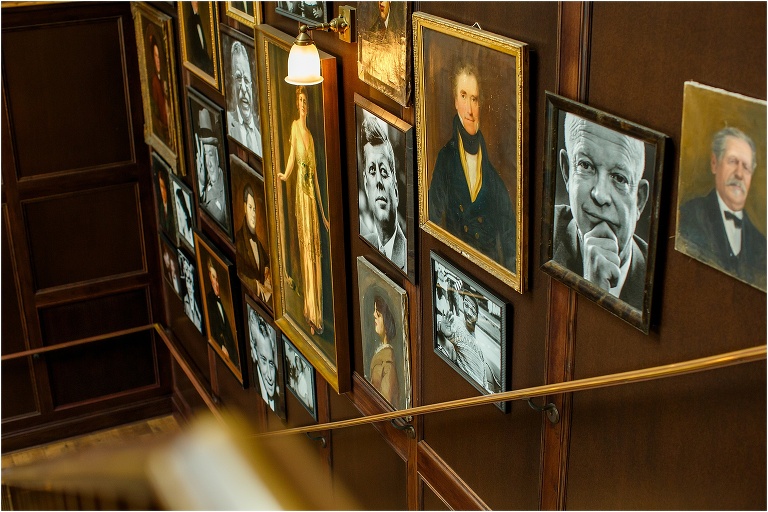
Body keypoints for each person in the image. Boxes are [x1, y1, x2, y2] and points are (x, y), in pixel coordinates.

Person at [553, 113, 649, 310]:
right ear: (566, 171)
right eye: (586, 165)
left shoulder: (664, 282)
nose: (600, 194)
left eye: (619, 178)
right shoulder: (533, 230)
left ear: (639, 200)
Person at [428, 62, 516, 272]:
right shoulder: (445, 160)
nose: (469, 109)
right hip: (453, 268)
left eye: (474, 99)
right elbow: (430, 219)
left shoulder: (494, 181)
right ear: (455, 101)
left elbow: (512, 252)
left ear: (481, 105)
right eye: (463, 96)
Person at [678, 127, 766, 287]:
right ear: (714, 163)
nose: (739, 174)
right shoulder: (689, 214)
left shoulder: (762, 244)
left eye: (746, 167)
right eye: (732, 161)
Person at [278, 86, 329, 335]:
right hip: (301, 194)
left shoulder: (310, 136)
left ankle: (316, 316)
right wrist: (284, 175)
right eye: (299, 100)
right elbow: (291, 160)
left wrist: (323, 214)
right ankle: (309, 311)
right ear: (296, 105)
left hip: (311, 200)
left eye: (305, 101)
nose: (302, 104)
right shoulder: (295, 129)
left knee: (315, 255)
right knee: (306, 251)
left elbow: (317, 179)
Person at [434, 269, 498, 393]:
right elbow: (447, 332)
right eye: (466, 306)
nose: (468, 312)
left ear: (477, 315)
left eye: (472, 309)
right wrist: (441, 326)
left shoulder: (477, 344)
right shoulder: (457, 324)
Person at [360, 115, 406, 271]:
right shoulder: (364, 247)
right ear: (366, 187)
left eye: (384, 171)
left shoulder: (408, 257)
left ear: (395, 189)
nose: (378, 181)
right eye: (372, 171)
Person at [235, 184, 272, 302]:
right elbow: (241, 271)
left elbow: (266, 262)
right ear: (245, 207)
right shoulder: (240, 239)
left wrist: (267, 268)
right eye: (250, 208)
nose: (254, 215)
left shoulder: (258, 242)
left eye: (255, 209)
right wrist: (256, 285)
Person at [226, 41, 262, 157]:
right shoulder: (228, 121)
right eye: (238, 78)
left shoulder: (260, 138)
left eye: (246, 80)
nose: (243, 90)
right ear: (232, 82)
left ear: (251, 85)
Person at [196, 108, 229, 227]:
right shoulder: (203, 186)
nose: (208, 163)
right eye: (205, 156)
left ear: (218, 157)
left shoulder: (225, 185)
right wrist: (200, 183)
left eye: (210, 155)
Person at [206, 257, 238, 367]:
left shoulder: (226, 302)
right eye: (214, 277)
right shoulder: (209, 301)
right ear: (210, 277)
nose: (216, 283)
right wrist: (221, 346)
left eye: (218, 278)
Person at [368, 295, 400, 405]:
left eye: (378, 313)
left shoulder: (387, 361)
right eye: (375, 311)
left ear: (387, 320)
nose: (374, 315)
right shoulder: (382, 354)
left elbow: (387, 401)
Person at [249, 309, 278, 410]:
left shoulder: (279, 401)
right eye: (263, 361)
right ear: (255, 354)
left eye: (271, 363)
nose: (270, 376)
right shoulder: (252, 388)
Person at [148, 34, 171, 144]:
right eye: (155, 56)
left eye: (159, 57)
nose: (157, 60)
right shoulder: (154, 82)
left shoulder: (167, 79)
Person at [184, 1, 214, 76]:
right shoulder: (190, 21)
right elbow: (193, 47)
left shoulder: (205, 16)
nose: (196, 2)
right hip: (199, 63)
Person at [180, 254, 202, 331]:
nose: (189, 283)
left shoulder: (201, 302)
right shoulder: (185, 300)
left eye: (190, 279)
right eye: (187, 280)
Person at [156, 169, 176, 236]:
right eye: (160, 187)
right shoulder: (161, 207)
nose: (162, 191)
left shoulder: (173, 205)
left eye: (163, 187)